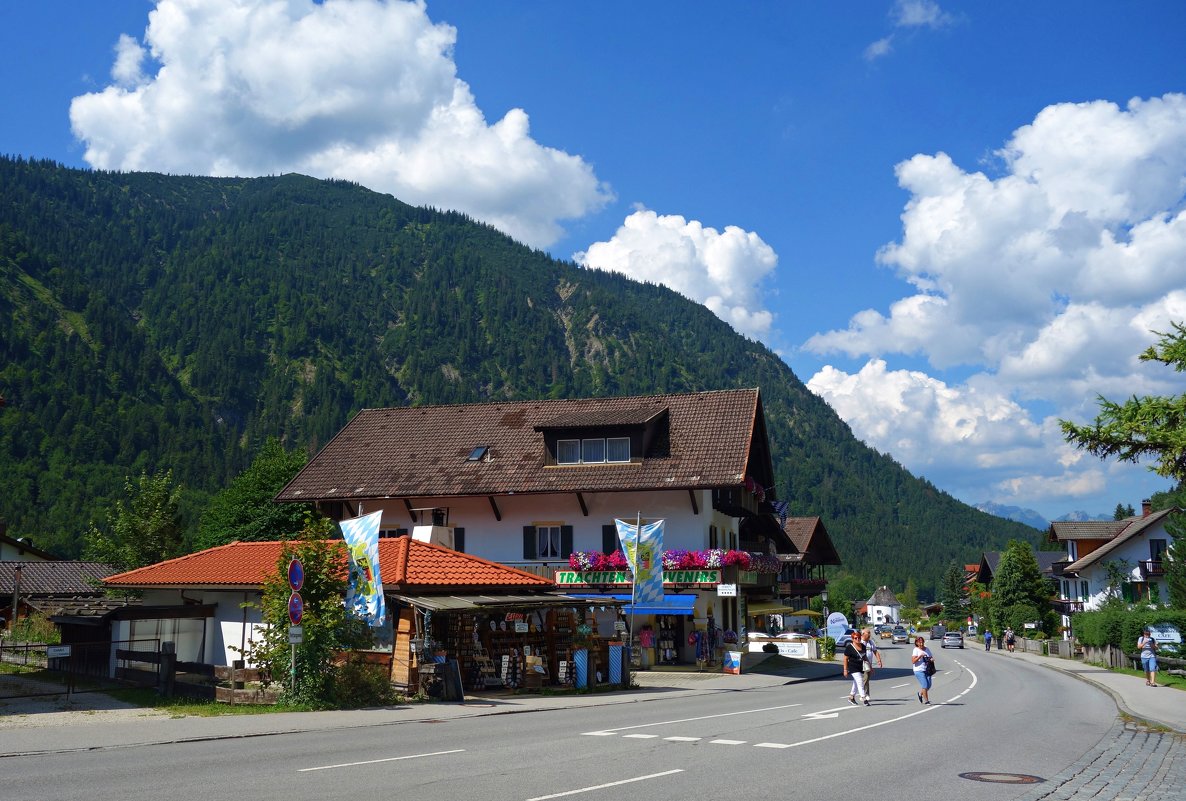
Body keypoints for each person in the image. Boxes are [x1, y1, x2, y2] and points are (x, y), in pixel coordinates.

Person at [843, 632, 870, 706]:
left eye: (859, 637)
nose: (857, 639)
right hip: (853, 667)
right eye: (855, 638)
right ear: (852, 639)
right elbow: (845, 659)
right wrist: (845, 670)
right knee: (860, 682)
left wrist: (869, 666)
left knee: (856, 683)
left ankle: (851, 697)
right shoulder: (849, 647)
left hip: (861, 667)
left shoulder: (863, 646)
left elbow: (865, 657)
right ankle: (864, 698)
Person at [860, 629, 883, 699]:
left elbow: (875, 651)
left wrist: (879, 661)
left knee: (866, 679)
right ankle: (864, 694)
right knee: (865, 678)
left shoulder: (870, 642)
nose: (870, 635)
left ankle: (865, 694)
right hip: (861, 663)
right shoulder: (860, 642)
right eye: (868, 633)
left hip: (869, 663)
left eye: (870, 633)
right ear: (863, 634)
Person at [911, 635, 935, 705]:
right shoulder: (916, 650)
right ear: (917, 643)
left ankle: (920, 694)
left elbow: (930, 657)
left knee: (929, 685)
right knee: (925, 685)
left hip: (927, 669)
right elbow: (913, 661)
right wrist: (920, 656)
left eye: (922, 642)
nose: (921, 644)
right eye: (919, 642)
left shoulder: (927, 649)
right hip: (918, 670)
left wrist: (931, 659)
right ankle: (926, 701)